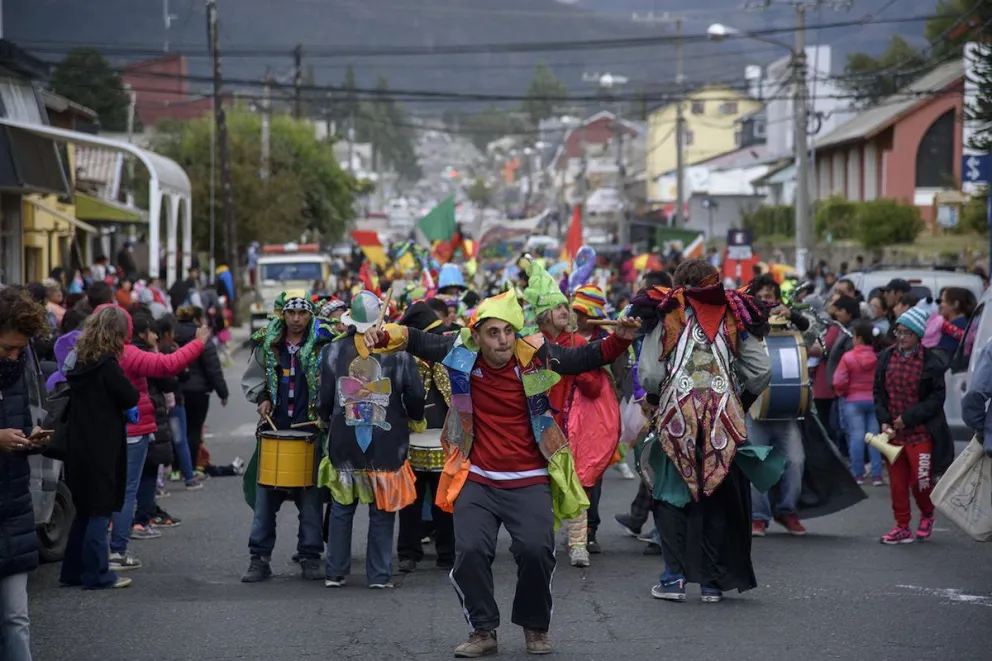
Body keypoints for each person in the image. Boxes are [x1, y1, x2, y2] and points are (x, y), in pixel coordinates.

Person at [363, 280, 639, 657]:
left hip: (529, 478)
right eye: (493, 333)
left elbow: (585, 357)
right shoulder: (460, 351)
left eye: (508, 331)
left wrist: (621, 339)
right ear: (477, 335)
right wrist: (382, 335)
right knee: (470, 551)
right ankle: (483, 630)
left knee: (536, 550)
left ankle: (535, 626)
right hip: (477, 477)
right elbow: (415, 339)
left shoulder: (535, 354)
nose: (503, 340)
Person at [631, 258, 774, 603]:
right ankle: (712, 583)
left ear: (678, 282)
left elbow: (650, 374)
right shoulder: (733, 312)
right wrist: (740, 400)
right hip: (723, 420)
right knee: (716, 498)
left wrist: (655, 396)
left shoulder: (667, 311)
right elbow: (761, 371)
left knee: (669, 496)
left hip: (676, 418)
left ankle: (673, 580)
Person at [319, 291, 426, 588]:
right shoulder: (399, 353)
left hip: (344, 442)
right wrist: (416, 419)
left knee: (342, 507)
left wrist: (325, 419)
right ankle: (379, 575)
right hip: (387, 443)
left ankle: (335, 573)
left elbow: (324, 398)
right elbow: (416, 395)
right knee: (382, 509)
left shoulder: (332, 351)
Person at [240, 291, 329, 582]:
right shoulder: (269, 344)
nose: (296, 319)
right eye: (291, 313)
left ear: (310, 315)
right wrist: (263, 397)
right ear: (283, 314)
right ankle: (259, 559)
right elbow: (255, 379)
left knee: (311, 501)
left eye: (302, 313)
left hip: (309, 433)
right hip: (274, 432)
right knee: (265, 501)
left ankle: (310, 556)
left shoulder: (323, 345)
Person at [111, 306, 208, 571]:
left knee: (108, 492)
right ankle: (117, 551)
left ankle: (96, 554)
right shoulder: (127, 353)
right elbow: (168, 366)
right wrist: (198, 344)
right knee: (126, 491)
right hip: (134, 430)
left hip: (105, 430)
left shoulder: (88, 353)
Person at [0, 287, 52, 660]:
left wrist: (29, 440)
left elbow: (16, 425)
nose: (14, 357)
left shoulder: (15, 372)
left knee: (16, 618)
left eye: (20, 350)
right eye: (7, 348)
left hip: (13, 508)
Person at [873, 307, 954, 544]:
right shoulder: (886, 357)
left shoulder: (931, 362)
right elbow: (878, 393)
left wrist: (907, 418)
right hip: (893, 435)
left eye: (906, 333)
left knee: (921, 480)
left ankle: (927, 514)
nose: (901, 337)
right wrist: (884, 420)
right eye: (898, 332)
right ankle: (902, 526)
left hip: (920, 433)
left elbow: (936, 399)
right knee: (897, 485)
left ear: (918, 335)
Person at [746, 274, 815, 537]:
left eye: (770, 294)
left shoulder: (790, 322)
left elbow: (812, 338)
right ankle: (758, 517)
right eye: (761, 295)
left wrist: (793, 316)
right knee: (756, 463)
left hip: (786, 409)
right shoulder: (745, 323)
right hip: (755, 408)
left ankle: (787, 511)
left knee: (796, 461)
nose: (766, 298)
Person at [395, 301, 455, 574]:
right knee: (410, 501)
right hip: (411, 440)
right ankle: (408, 553)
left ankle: (448, 553)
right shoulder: (402, 359)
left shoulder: (449, 356)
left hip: (445, 438)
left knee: (445, 501)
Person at [174, 306, 229, 477]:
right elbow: (213, 369)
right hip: (198, 392)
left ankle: (176, 468)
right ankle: (190, 468)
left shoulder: (171, 334)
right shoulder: (202, 337)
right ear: (198, 319)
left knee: (177, 430)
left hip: (175, 390)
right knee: (194, 430)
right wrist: (223, 393)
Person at [833, 319, 884, 486]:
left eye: (854, 336)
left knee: (856, 437)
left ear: (859, 338)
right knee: (874, 438)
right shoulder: (877, 358)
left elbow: (839, 380)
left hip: (853, 400)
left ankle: (858, 474)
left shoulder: (848, 357)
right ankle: (877, 475)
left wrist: (843, 392)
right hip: (873, 400)